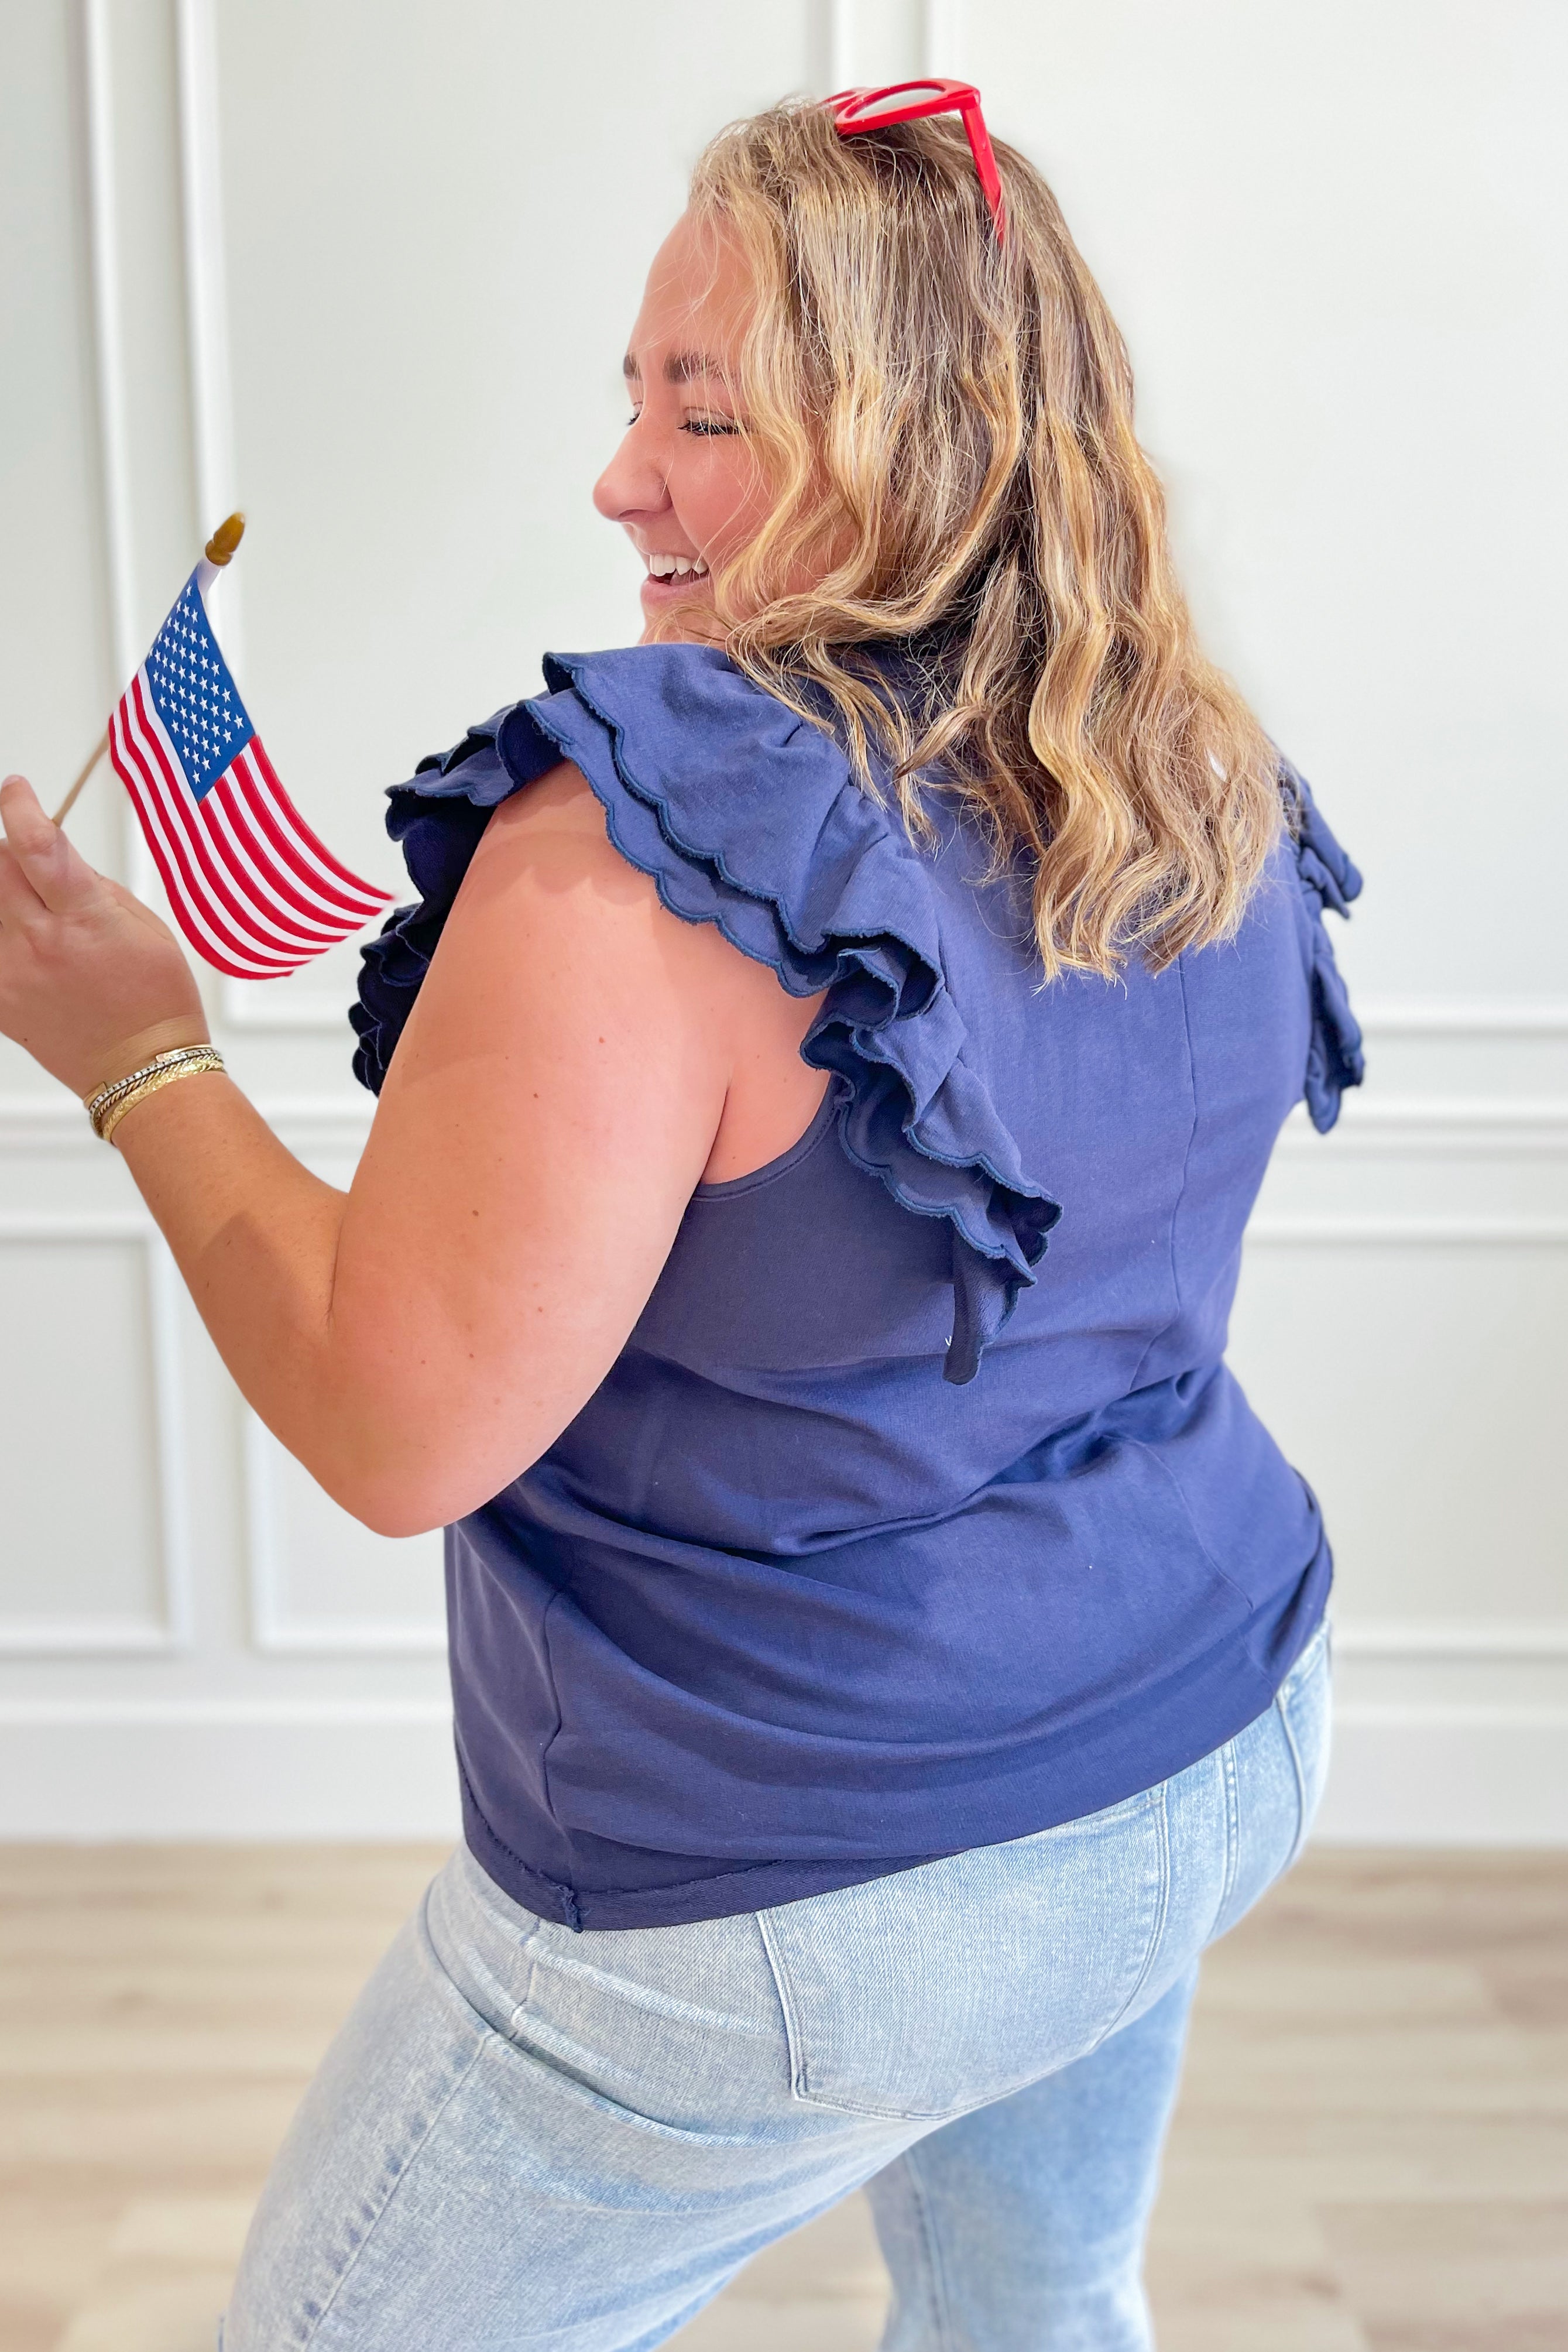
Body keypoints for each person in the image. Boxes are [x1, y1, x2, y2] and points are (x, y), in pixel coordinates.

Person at [0, 90, 1361, 2352]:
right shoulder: (1184, 758)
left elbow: (390, 1421)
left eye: (703, 413)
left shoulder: (638, 845)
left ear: (919, 434)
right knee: (1042, 2311)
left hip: (804, 1877)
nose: (622, 479)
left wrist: (140, 1051)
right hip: (1215, 1735)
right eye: (632, 399)